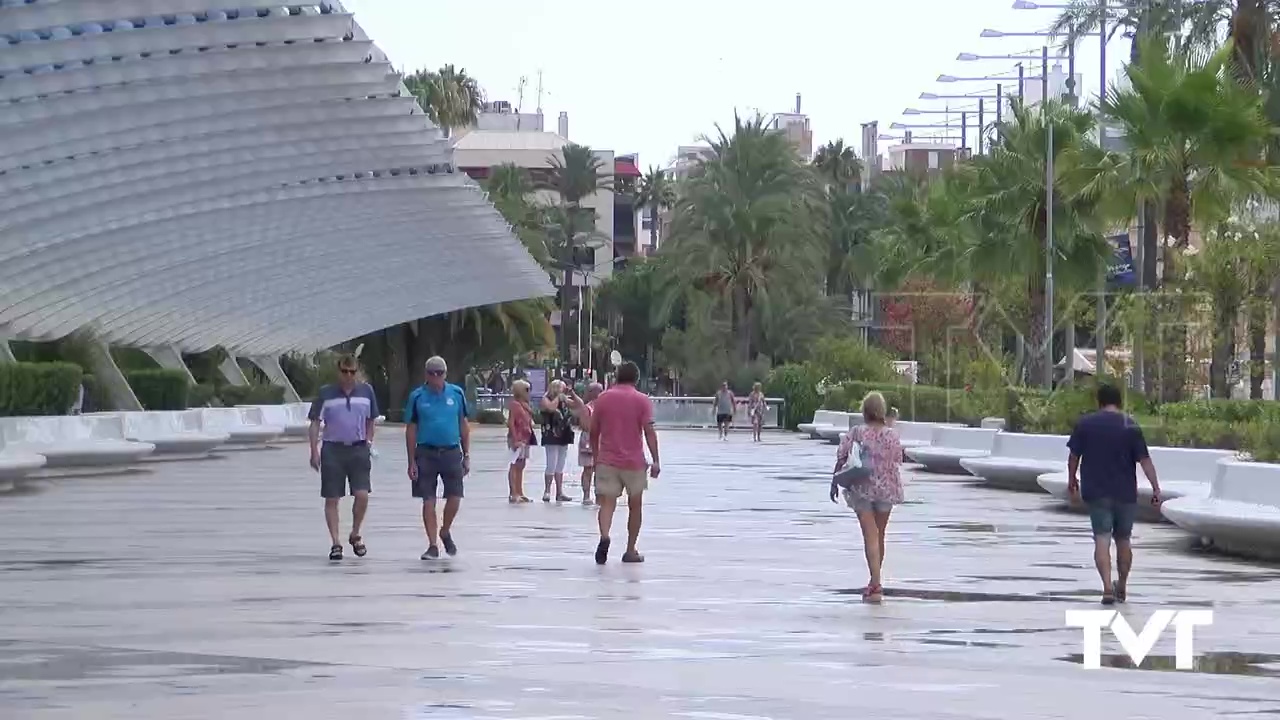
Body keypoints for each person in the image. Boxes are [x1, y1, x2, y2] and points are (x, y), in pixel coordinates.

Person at [1067, 383, 1161, 605]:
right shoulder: (1131, 426)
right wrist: (1156, 488)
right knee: (1123, 540)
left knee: (1101, 538)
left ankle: (1107, 587)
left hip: (1096, 491)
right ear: (1119, 401)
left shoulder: (1086, 424)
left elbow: (1073, 456)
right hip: (1125, 493)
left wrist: (1072, 479)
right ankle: (1123, 584)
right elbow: (1145, 460)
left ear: (1099, 401)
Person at [830, 391, 903, 603]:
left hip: (862, 488)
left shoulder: (857, 432)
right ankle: (875, 582)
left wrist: (834, 481)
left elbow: (842, 457)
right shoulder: (892, 435)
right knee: (879, 535)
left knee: (870, 535)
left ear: (865, 410)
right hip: (887, 489)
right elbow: (898, 459)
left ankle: (876, 584)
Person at [308, 354, 379, 560]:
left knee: (362, 494)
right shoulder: (326, 393)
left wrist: (369, 442)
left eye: (352, 372)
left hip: (358, 448)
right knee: (332, 497)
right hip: (332, 449)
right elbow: (315, 423)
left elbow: (371, 419)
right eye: (345, 371)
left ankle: (355, 533)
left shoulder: (366, 392)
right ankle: (336, 542)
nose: (348, 376)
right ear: (338, 371)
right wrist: (314, 451)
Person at [589, 361, 660, 564]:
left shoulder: (602, 399)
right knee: (635, 505)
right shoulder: (642, 400)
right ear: (636, 379)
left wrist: (596, 457)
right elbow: (649, 431)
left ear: (617, 376)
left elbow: (593, 431)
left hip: (607, 460)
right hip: (634, 462)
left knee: (607, 503)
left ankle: (604, 536)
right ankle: (630, 550)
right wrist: (655, 460)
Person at [405, 356, 471, 560]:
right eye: (432, 373)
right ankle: (432, 544)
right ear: (426, 374)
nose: (436, 377)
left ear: (445, 373)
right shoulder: (417, 396)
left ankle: (445, 529)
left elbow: (463, 424)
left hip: (451, 451)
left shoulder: (456, 394)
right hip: (426, 452)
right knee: (428, 500)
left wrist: (467, 454)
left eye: (439, 373)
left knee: (455, 496)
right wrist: (411, 460)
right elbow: (411, 429)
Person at [539, 380, 576, 503]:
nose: (564, 391)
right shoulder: (546, 399)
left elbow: (575, 405)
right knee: (551, 463)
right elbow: (550, 408)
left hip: (564, 434)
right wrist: (558, 398)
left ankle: (560, 492)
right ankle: (547, 491)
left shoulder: (564, 400)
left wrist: (571, 395)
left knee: (560, 465)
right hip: (551, 434)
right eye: (562, 389)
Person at [574, 383, 604, 505]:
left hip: (602, 440)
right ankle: (586, 495)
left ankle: (599, 495)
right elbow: (584, 425)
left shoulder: (604, 407)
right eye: (599, 391)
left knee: (600, 470)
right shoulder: (587, 408)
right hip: (589, 439)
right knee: (588, 469)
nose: (602, 393)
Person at [506, 379, 535, 503]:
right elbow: (511, 422)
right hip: (517, 438)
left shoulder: (525, 405)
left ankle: (520, 491)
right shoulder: (515, 404)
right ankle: (513, 493)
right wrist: (515, 439)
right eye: (526, 390)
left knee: (522, 465)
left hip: (526, 438)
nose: (529, 392)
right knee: (515, 465)